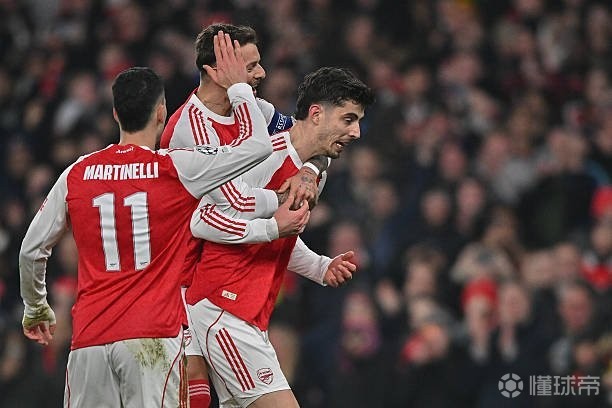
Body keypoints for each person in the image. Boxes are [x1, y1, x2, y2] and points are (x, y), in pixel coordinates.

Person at [18, 36, 308, 407]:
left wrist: (36, 307)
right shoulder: (175, 170)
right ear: (161, 113)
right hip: (152, 338)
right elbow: (257, 147)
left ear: (116, 114)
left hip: (90, 340)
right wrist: (238, 87)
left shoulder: (78, 172)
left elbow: (31, 250)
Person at [186, 66, 375, 407]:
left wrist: (319, 267)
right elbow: (203, 218)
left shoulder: (313, 174)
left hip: (250, 314)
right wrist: (273, 227)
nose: (356, 132)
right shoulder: (261, 155)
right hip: (222, 308)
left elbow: (281, 236)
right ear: (316, 114)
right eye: (348, 119)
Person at [161, 23, 328, 407]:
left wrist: (308, 171)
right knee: (193, 381)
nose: (261, 73)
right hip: (179, 273)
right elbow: (230, 201)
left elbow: (313, 141)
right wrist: (279, 206)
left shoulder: (258, 110)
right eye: (249, 66)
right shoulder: (188, 129)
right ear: (216, 70)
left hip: (222, 268)